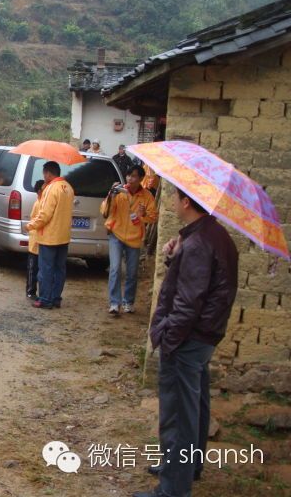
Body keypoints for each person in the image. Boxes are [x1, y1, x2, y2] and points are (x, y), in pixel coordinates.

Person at [133, 188, 238, 497]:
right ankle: (186, 467)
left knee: (178, 413)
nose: (172, 204)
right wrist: (173, 257)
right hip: (204, 335)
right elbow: (198, 284)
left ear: (187, 202)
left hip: (188, 338)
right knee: (195, 405)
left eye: (175, 198)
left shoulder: (198, 243)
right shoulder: (213, 236)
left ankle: (173, 489)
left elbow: (188, 302)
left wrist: (169, 338)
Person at [101, 165, 158, 315]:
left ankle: (128, 301)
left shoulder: (147, 196)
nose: (130, 179)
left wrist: (143, 215)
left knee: (132, 272)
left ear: (140, 179)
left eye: (133, 176)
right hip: (116, 234)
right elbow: (105, 211)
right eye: (128, 175)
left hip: (135, 237)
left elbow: (153, 217)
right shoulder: (119, 192)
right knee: (115, 268)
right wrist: (111, 195)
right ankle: (114, 303)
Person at [26, 161, 74, 309]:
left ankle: (45, 298)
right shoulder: (68, 188)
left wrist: (30, 225)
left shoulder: (51, 189)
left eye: (44, 173)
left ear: (47, 173)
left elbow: (44, 215)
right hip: (63, 236)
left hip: (49, 236)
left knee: (46, 269)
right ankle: (56, 297)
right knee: (59, 269)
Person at [26, 180, 45, 300]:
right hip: (35, 240)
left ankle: (32, 290)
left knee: (36, 268)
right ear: (39, 191)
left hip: (40, 239)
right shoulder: (39, 203)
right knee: (32, 268)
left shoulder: (42, 202)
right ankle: (30, 291)